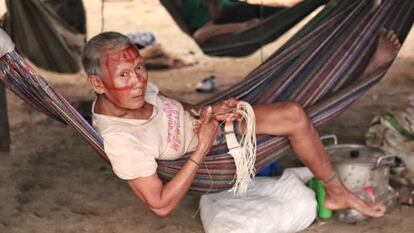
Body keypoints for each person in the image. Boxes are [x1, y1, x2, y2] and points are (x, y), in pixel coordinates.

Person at [82, 29, 400, 217]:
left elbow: (172, 107)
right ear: (98, 84)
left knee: (293, 94)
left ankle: (362, 71)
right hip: (213, 151)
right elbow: (160, 206)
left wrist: (206, 110)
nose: (138, 81)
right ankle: (337, 188)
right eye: (124, 75)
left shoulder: (135, 93)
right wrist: (203, 146)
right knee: (297, 115)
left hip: (209, 123)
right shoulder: (121, 141)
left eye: (139, 67)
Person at [170, 0, 304, 44]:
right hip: (236, 17)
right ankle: (245, 26)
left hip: (240, 10)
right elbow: (202, 32)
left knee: (292, 9)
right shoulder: (188, 6)